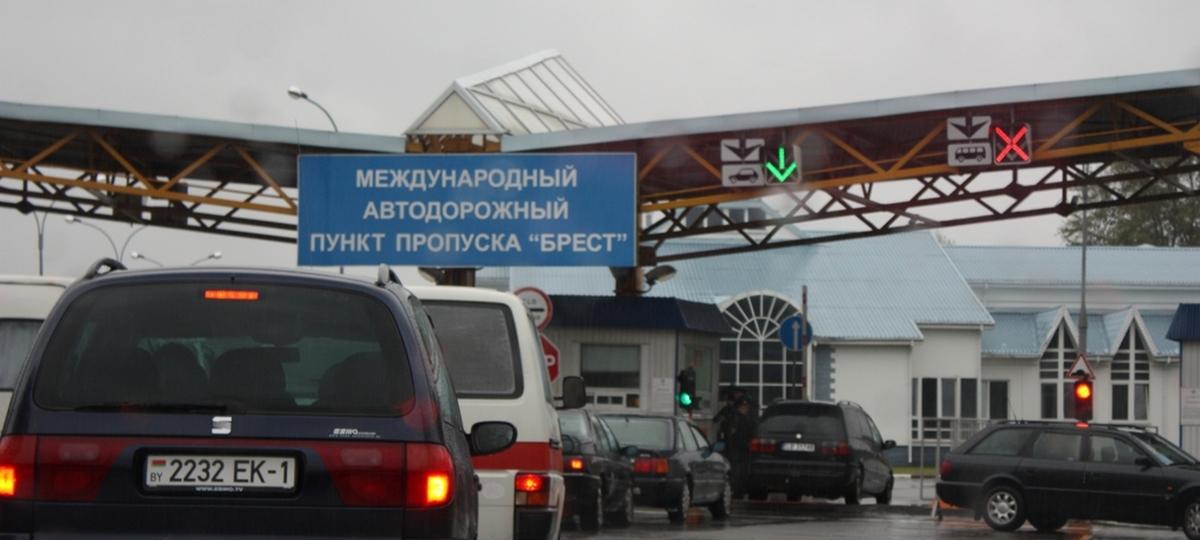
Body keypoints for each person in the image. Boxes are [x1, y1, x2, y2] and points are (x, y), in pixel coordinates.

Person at [726, 397, 756, 497]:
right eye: (743, 407)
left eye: (746, 407)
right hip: (736, 448)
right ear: (739, 407)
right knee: (737, 471)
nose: (745, 409)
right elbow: (731, 434)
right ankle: (737, 490)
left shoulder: (746, 418)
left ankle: (740, 490)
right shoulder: (735, 418)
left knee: (742, 471)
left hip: (744, 448)